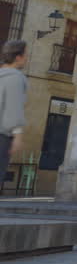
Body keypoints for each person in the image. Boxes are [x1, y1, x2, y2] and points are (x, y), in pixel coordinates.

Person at [0, 40, 28, 183]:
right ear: (18, 57)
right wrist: (18, 136)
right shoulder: (16, 78)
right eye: (25, 55)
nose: (26, 59)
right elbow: (13, 108)